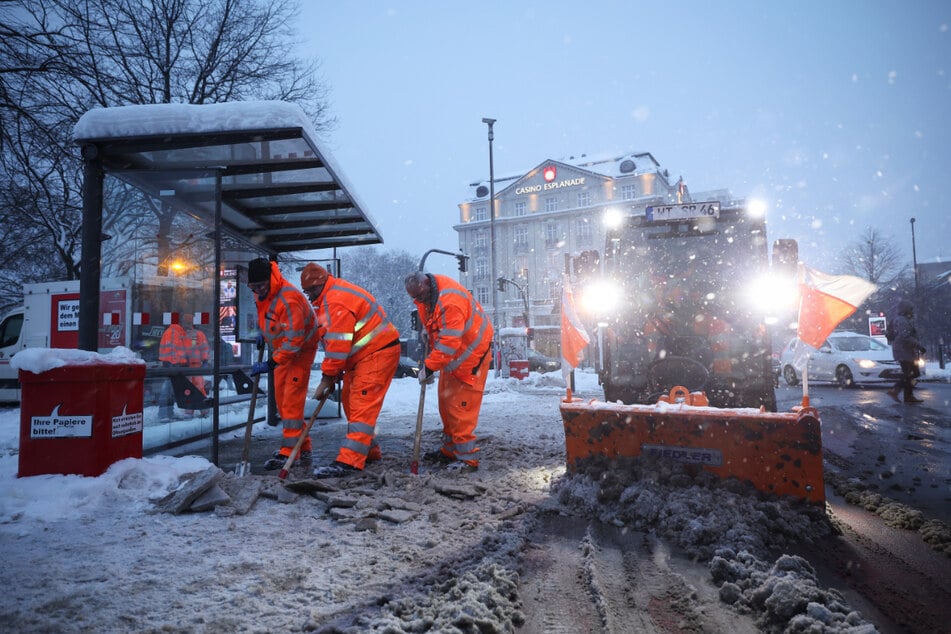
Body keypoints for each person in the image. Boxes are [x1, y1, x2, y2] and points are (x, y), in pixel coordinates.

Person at [301, 263, 402, 479]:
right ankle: (368, 450)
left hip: (377, 353)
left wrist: (328, 377)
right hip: (364, 355)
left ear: (319, 285)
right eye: (306, 292)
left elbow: (338, 345)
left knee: (361, 406)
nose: (308, 296)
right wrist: (334, 373)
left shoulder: (335, 301)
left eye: (310, 291)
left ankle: (350, 461)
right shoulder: (331, 297)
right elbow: (340, 343)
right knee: (350, 401)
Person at [403, 271, 494, 471]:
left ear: (427, 285)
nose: (419, 301)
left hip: (470, 358)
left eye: (420, 296)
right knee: (446, 404)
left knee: (460, 409)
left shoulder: (450, 302)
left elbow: (449, 343)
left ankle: (467, 459)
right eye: (415, 298)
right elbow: (438, 325)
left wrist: (428, 367)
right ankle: (451, 450)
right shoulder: (429, 295)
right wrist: (428, 331)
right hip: (455, 358)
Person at [246, 257, 319, 470]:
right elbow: (268, 316)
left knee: (291, 401)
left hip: (300, 351)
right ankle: (303, 446)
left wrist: (270, 363)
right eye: (253, 287)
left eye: (261, 285)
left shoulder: (289, 299)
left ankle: (289, 452)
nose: (258, 290)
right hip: (282, 351)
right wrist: (263, 332)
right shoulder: (262, 294)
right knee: (281, 400)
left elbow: (295, 340)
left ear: (270, 279)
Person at [158, 312, 210, 417]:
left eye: (189, 322)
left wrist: (204, 360)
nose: (187, 325)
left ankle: (199, 409)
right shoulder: (181, 334)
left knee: (196, 388)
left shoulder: (191, 334)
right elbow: (188, 349)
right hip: (186, 366)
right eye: (186, 322)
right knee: (190, 388)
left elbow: (198, 348)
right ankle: (193, 410)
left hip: (190, 366)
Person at [886, 299, 925, 404]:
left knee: (911, 373)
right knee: (911, 373)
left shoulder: (900, 320)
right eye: (911, 309)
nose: (912, 312)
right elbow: (905, 336)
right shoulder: (902, 321)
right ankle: (898, 392)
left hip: (904, 351)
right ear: (906, 310)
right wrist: (919, 346)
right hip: (904, 351)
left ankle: (906, 395)